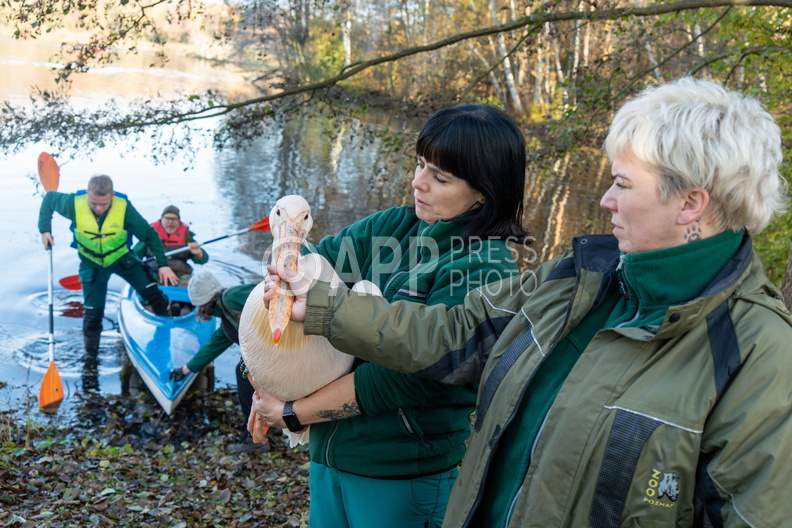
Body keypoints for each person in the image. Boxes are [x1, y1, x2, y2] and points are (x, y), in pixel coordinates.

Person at [260, 78, 792, 527]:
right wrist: (322, 305)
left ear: (690, 204)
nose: (605, 199)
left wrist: (295, 410)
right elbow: (450, 334)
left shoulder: (759, 356)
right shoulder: (578, 282)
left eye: (623, 184)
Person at [247, 103, 529, 528]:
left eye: (440, 177)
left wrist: (293, 412)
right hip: (332, 457)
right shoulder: (393, 228)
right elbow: (315, 265)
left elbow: (411, 379)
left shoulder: (485, 268)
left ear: (484, 192)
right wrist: (271, 287)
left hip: (401, 475)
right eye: (420, 165)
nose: (418, 182)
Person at [39, 174, 178, 355]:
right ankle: (90, 362)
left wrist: (163, 264)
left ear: (111, 195)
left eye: (103, 204)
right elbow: (49, 199)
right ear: (88, 194)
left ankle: (165, 340)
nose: (98, 208)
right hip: (92, 265)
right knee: (92, 316)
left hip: (122, 259)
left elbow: (149, 235)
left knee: (154, 294)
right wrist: (45, 230)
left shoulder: (124, 208)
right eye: (93, 203)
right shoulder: (73, 203)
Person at [169, 270, 266, 453]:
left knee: (243, 372)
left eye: (199, 305)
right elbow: (214, 345)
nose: (199, 310)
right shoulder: (227, 319)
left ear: (207, 300)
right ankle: (265, 424)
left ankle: (255, 439)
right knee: (244, 370)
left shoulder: (232, 297)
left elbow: (266, 292)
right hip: (270, 353)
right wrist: (185, 370)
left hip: (284, 349)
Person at [133, 205, 209, 286]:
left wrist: (199, 254)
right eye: (167, 218)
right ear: (161, 219)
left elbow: (203, 260)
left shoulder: (187, 237)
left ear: (179, 221)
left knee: (189, 285)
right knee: (148, 285)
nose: (170, 222)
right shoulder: (149, 235)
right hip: (154, 272)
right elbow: (135, 256)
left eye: (173, 219)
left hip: (180, 274)